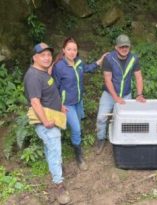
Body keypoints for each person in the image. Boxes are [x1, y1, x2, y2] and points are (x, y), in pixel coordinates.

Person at [24, 42, 71, 204]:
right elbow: (35, 102)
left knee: (51, 148)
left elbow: (50, 94)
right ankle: (59, 185)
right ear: (34, 58)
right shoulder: (33, 76)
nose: (46, 58)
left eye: (48, 55)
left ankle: (55, 167)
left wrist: (61, 106)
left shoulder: (43, 72)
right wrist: (45, 121)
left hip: (53, 116)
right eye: (42, 55)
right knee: (55, 150)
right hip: (45, 121)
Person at [52, 37, 107, 170]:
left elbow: (87, 68)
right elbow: (54, 87)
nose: (72, 52)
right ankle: (79, 156)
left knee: (78, 128)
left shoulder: (79, 62)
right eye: (69, 49)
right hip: (67, 104)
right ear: (64, 50)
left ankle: (76, 147)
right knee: (76, 129)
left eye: (74, 50)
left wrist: (99, 61)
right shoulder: (59, 66)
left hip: (78, 102)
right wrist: (59, 105)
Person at [95, 34, 146, 154]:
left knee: (126, 119)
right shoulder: (109, 58)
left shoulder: (134, 59)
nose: (124, 49)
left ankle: (124, 141)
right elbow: (108, 79)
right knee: (101, 118)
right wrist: (116, 97)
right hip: (109, 94)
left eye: (126, 46)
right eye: (121, 46)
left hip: (126, 94)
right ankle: (101, 139)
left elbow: (138, 78)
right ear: (116, 47)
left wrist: (139, 94)